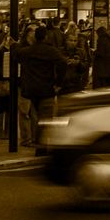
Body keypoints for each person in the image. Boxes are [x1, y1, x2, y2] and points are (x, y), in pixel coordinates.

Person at [15, 25, 67, 154]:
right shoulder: (51, 51)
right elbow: (63, 63)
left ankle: (38, 144)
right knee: (45, 118)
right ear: (45, 37)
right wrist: (58, 82)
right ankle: (42, 147)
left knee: (35, 117)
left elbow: (17, 53)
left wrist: (13, 44)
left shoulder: (28, 51)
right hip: (46, 88)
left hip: (31, 90)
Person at [60, 31, 91, 95]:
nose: (73, 43)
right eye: (71, 40)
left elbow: (85, 67)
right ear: (66, 41)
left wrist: (78, 63)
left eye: (75, 41)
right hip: (63, 85)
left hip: (77, 84)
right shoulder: (60, 52)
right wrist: (64, 62)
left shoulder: (81, 52)